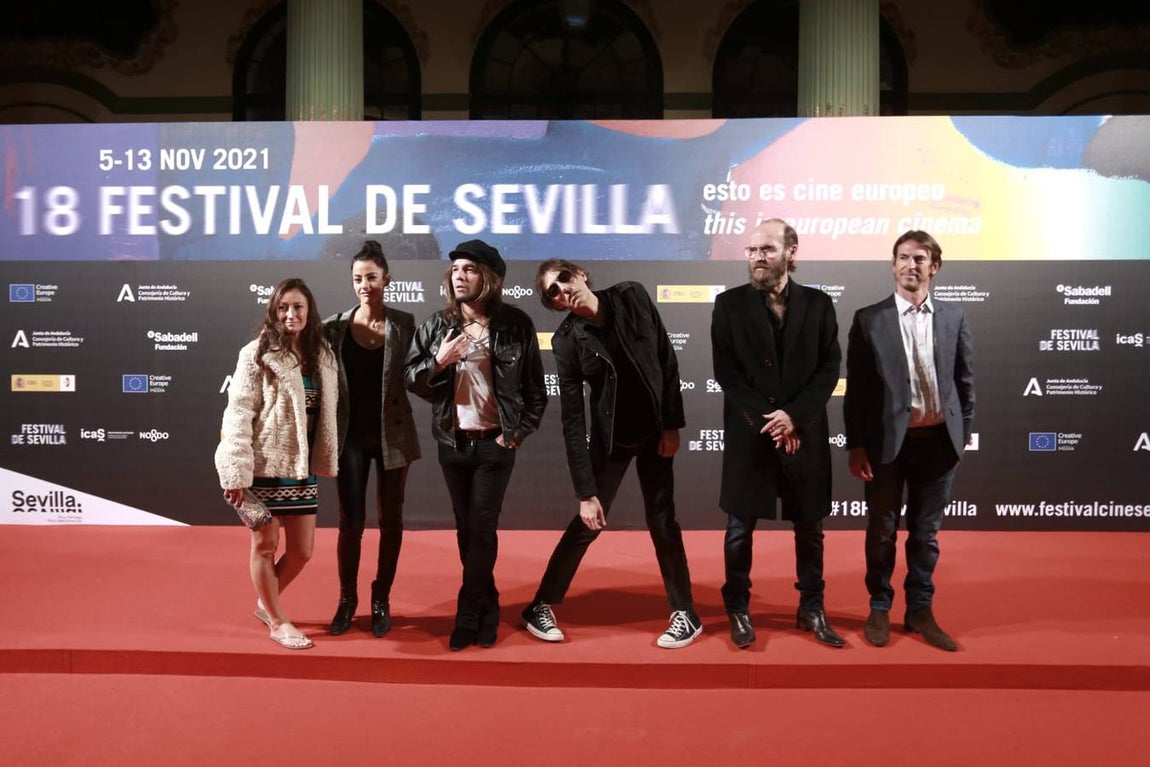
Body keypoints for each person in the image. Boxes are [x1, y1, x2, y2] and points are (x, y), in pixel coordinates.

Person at [522, 260, 701, 649]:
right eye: (552, 291)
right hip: (611, 442)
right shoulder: (567, 341)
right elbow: (572, 419)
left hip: (655, 434)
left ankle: (684, 611)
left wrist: (672, 424)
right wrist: (585, 492)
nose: (562, 290)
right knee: (587, 524)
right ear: (553, 304)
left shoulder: (631, 296)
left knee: (662, 520)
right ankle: (540, 605)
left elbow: (665, 358)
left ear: (581, 274)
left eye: (564, 279)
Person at [404, 239, 546, 651]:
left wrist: (515, 433)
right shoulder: (435, 326)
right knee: (467, 530)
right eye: (455, 269)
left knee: (481, 528)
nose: (459, 276)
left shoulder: (515, 325)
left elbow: (536, 391)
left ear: (489, 277)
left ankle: (468, 613)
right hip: (453, 443)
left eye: (469, 269)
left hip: (494, 446)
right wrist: (440, 361)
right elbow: (410, 379)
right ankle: (490, 602)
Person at [711, 218, 844, 650]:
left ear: (791, 251)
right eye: (751, 251)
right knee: (739, 527)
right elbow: (727, 375)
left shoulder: (821, 305)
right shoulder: (728, 306)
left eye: (766, 249)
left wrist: (796, 418)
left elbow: (828, 370)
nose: (757, 258)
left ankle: (812, 607)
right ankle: (738, 608)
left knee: (810, 527)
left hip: (802, 434)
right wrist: (772, 421)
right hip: (752, 434)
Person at [844, 230, 975, 652]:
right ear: (892, 264)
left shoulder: (953, 318)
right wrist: (856, 446)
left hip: (938, 443)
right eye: (903, 257)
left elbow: (964, 383)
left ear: (934, 267)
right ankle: (879, 606)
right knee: (882, 531)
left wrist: (962, 436)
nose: (910, 265)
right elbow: (858, 390)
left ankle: (920, 610)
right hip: (886, 446)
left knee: (926, 534)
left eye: (919, 258)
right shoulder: (869, 319)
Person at [215, 277, 339, 650]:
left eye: (298, 307)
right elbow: (237, 412)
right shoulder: (255, 353)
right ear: (274, 311)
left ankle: (265, 603)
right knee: (265, 544)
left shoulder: (324, 355)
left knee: (302, 551)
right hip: (262, 466)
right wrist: (235, 470)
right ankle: (277, 620)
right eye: (283, 307)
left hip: (299, 468)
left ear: (309, 311)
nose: (291, 314)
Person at [322, 240, 421, 638]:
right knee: (351, 523)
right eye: (358, 279)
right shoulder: (333, 327)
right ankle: (348, 600)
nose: (365, 285)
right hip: (349, 440)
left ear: (387, 280)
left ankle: (382, 598)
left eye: (372, 278)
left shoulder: (405, 324)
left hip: (393, 435)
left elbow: (418, 376)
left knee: (392, 521)